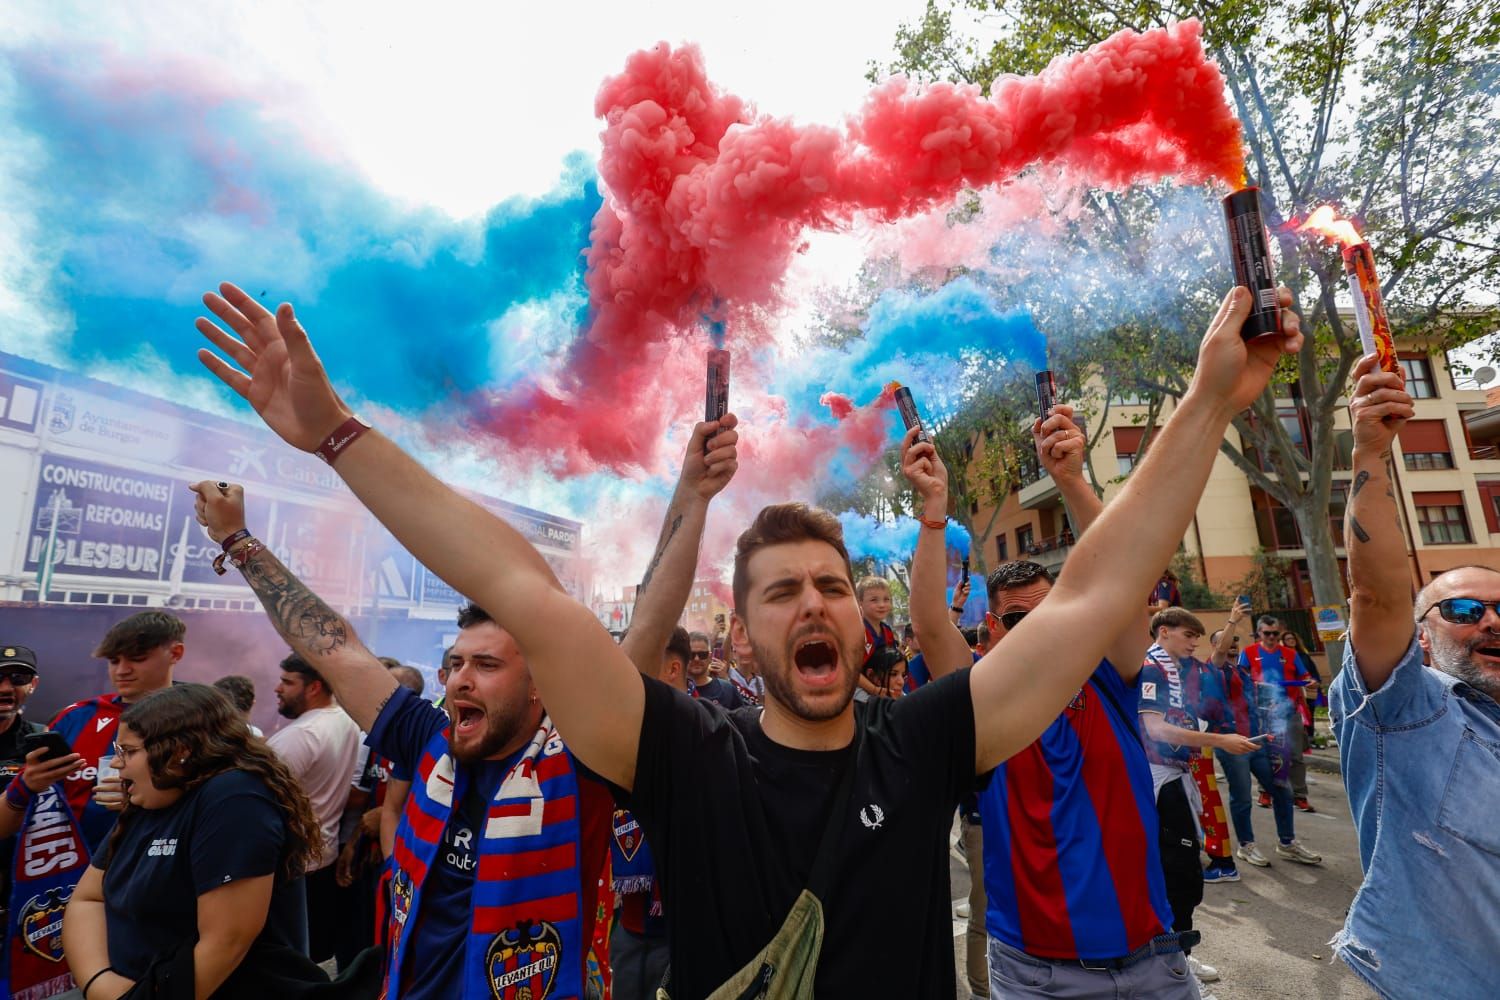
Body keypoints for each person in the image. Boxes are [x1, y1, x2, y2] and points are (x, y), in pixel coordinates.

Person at [192, 277, 1298, 997]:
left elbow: (1089, 599)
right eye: (779, 592)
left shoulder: (918, 746)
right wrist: (335, 434)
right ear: (750, 628)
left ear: (862, 626)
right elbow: (520, 589)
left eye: (829, 584)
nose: (811, 603)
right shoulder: (684, 753)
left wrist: (1209, 401)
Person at [192, 480, 620, 1000]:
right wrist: (238, 541)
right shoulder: (427, 737)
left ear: (540, 686)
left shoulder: (583, 760)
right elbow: (335, 649)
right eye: (455, 663)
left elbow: (641, 647)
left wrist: (692, 495)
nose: (460, 679)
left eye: (486, 665)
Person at [1329, 355, 1498, 998]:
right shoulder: (1409, 709)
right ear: (1420, 634)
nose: (1486, 620)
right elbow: (1375, 595)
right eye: (1460, 610)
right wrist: (1370, 447)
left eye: (1499, 609)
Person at [60, 684, 380, 999]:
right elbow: (87, 899)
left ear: (180, 752)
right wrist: (99, 984)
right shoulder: (151, 797)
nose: (116, 764)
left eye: (128, 752)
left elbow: (226, 941)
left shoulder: (235, 796)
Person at [1138, 607, 1259, 987]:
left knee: (1179, 876)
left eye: (1197, 635)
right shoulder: (1152, 668)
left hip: (1176, 776)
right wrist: (1218, 740)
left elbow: (1219, 656)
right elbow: (1156, 730)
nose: (1194, 641)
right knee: (1180, 877)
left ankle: (1171, 961)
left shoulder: (1184, 669)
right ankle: (1175, 966)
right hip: (1159, 779)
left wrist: (1234, 623)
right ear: (1163, 633)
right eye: (1188, 634)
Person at [0, 613, 183, 854]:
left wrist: (147, 798)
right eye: (114, 660)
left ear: (175, 653)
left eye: (137, 659)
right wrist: (25, 785)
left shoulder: (202, 718)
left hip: (157, 871)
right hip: (67, 877)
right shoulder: (74, 718)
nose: (122, 670)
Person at [266, 654, 362, 964]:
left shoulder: (301, 735)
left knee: (285, 960)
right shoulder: (345, 720)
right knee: (313, 956)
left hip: (292, 867)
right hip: (321, 856)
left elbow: (259, 801)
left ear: (314, 687)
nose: (278, 688)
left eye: (287, 682)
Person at [1217, 630, 1322, 869]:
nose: (1233, 645)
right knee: (1242, 797)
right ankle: (1246, 845)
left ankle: (1287, 843)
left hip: (1258, 742)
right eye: (1225, 642)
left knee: (1282, 790)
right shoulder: (1211, 673)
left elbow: (1267, 700)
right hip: (1232, 745)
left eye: (1235, 640)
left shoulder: (1245, 675)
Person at [1241, 617, 1317, 811]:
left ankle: (1299, 795)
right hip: (1263, 711)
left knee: (1294, 754)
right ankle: (1265, 792)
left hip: (1289, 710)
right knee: (1265, 752)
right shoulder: (1249, 652)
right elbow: (1241, 677)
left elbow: (1305, 676)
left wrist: (1310, 682)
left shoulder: (1290, 654)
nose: (1272, 637)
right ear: (1259, 633)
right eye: (1267, 633)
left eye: (1275, 633)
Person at [685, 632, 743, 708]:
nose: (697, 659)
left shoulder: (727, 689)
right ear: (684, 657)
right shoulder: (674, 691)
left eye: (702, 655)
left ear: (709, 657)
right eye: (691, 655)